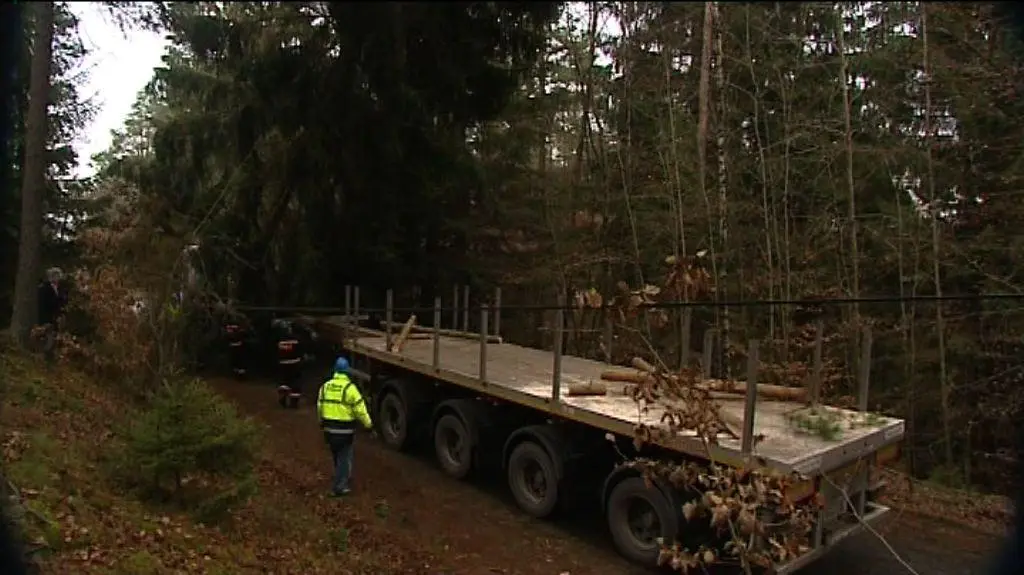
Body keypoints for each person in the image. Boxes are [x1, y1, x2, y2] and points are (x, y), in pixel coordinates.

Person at [316, 357, 373, 497]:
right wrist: (369, 425)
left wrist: (321, 422)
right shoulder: (350, 389)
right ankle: (340, 486)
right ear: (347, 372)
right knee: (344, 457)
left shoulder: (325, 387)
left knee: (336, 455)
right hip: (345, 431)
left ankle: (340, 477)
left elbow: (320, 406)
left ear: (335, 370)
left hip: (329, 429)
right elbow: (360, 410)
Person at [36, 267, 67, 362]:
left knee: (54, 339)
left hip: (56, 318)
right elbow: (42, 305)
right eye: (56, 276)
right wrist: (45, 320)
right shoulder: (44, 288)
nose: (58, 278)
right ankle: (43, 358)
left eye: (59, 276)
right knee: (47, 339)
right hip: (47, 318)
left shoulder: (60, 289)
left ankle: (51, 359)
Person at [272, 319, 304, 408]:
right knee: (296, 383)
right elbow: (301, 350)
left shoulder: (279, 339)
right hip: (295, 363)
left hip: (283, 364)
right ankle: (294, 402)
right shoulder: (296, 338)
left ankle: (283, 398)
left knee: (284, 382)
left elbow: (274, 351)